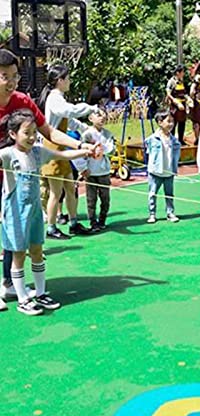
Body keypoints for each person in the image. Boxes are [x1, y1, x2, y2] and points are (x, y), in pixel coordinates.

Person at [0, 49, 97, 311]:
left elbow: (49, 131)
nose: (10, 82)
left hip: (17, 177)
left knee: (15, 234)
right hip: (5, 170)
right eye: (3, 76)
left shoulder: (21, 101)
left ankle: (9, 283)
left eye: (14, 76)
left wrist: (80, 145)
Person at [38, 64, 98, 240]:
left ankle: (73, 223)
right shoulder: (54, 98)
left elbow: (70, 121)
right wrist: (90, 107)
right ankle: (51, 227)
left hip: (61, 148)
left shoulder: (59, 98)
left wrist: (86, 129)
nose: (69, 81)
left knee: (70, 188)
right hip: (52, 148)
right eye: (67, 78)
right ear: (60, 81)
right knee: (56, 193)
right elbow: (69, 111)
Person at [81, 107, 115, 232]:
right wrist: (83, 169)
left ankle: (102, 220)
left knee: (105, 198)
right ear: (90, 118)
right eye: (98, 115)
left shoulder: (108, 134)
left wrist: (102, 149)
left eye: (103, 115)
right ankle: (93, 222)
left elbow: (111, 149)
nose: (102, 117)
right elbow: (81, 152)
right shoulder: (87, 135)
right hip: (91, 172)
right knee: (91, 198)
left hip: (104, 172)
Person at [145, 109, 181, 224]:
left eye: (172, 121)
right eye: (168, 121)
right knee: (152, 193)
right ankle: (152, 213)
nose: (171, 124)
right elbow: (148, 151)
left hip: (168, 172)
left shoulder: (174, 140)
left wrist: (174, 169)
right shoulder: (152, 139)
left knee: (169, 194)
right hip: (155, 172)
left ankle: (170, 213)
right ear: (160, 122)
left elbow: (176, 155)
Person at [165, 65, 191, 145]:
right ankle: (171, 140)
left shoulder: (181, 81)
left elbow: (184, 93)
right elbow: (168, 94)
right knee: (173, 123)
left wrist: (188, 98)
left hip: (183, 105)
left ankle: (180, 140)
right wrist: (175, 101)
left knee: (182, 122)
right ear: (178, 73)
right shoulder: (171, 81)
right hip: (175, 106)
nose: (183, 73)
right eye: (182, 72)